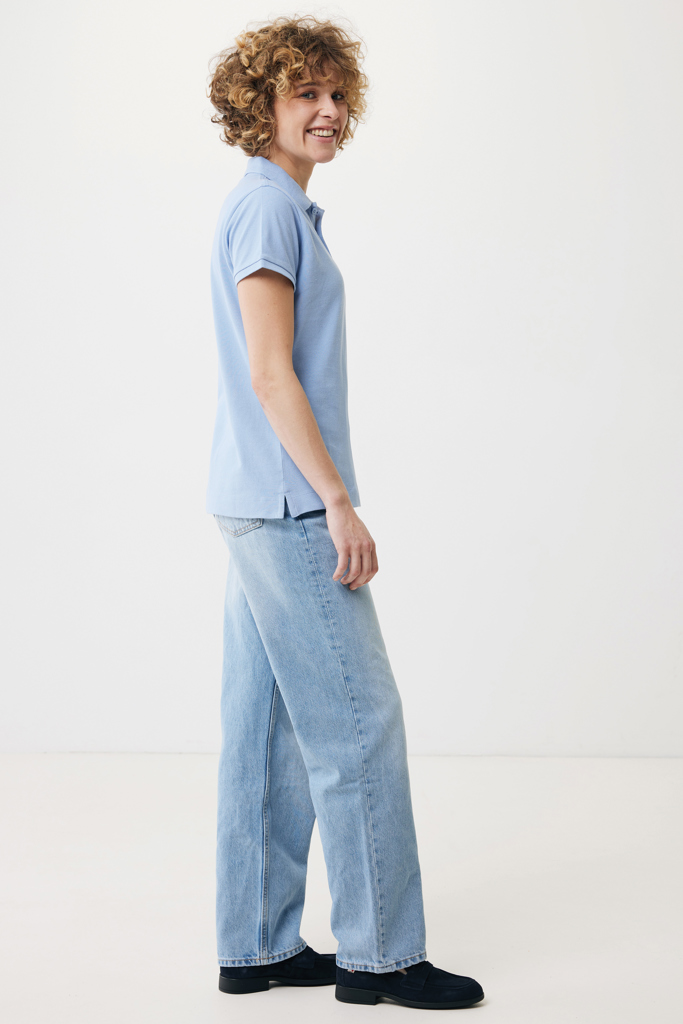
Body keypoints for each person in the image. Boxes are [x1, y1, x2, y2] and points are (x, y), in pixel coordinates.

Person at [205, 15, 485, 1010]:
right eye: (304, 94)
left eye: (335, 94)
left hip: (251, 498)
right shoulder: (267, 210)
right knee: (359, 725)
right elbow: (270, 371)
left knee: (269, 733)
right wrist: (336, 501)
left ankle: (255, 945)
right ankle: (382, 957)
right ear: (260, 107)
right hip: (287, 505)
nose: (327, 111)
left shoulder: (272, 204)